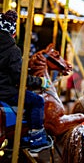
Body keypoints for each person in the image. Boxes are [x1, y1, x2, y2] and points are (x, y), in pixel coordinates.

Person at [0, 10, 52, 152]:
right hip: (5, 92)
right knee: (37, 101)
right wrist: (39, 82)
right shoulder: (12, 49)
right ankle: (37, 138)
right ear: (12, 32)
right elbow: (19, 77)